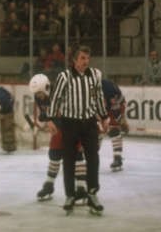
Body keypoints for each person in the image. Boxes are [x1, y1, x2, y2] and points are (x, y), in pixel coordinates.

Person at [48, 44, 109, 215]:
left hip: (89, 123)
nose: (86, 61)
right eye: (82, 58)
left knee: (93, 158)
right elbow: (55, 99)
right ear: (74, 60)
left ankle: (92, 194)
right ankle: (70, 195)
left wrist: (104, 117)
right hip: (70, 123)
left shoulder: (95, 75)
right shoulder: (64, 76)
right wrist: (51, 119)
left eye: (87, 58)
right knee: (69, 160)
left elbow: (98, 98)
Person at [29, 74, 88, 202]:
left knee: (77, 155)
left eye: (40, 93)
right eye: (36, 94)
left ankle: (81, 189)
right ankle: (49, 185)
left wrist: (51, 122)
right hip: (60, 127)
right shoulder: (39, 97)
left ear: (46, 88)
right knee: (54, 154)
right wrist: (44, 121)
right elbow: (45, 114)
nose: (39, 96)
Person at [101, 79, 129, 172]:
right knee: (95, 131)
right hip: (103, 108)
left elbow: (116, 111)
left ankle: (118, 158)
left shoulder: (108, 89)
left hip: (117, 105)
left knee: (114, 130)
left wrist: (122, 122)